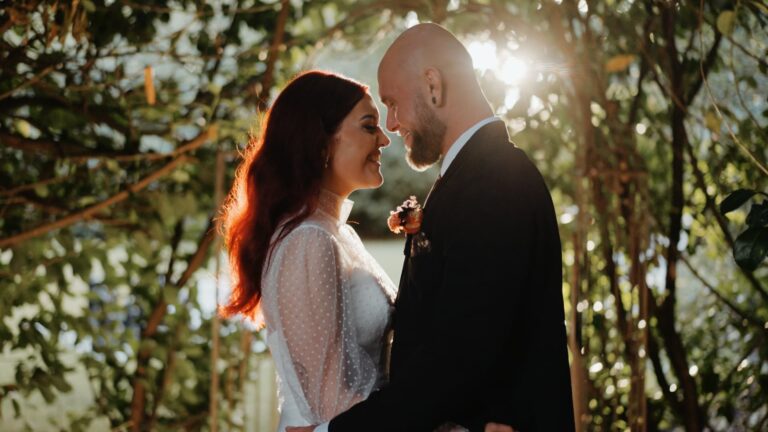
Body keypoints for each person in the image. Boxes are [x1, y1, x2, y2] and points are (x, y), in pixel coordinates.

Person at [290, 23, 575, 432]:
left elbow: (459, 356)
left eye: (393, 103)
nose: (391, 123)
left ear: (433, 86)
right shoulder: (471, 177)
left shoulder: (494, 181)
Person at [219, 70, 398, 432]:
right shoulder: (308, 241)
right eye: (368, 126)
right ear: (321, 143)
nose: (384, 139)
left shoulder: (335, 234)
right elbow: (331, 400)